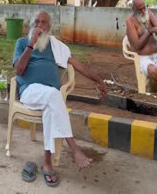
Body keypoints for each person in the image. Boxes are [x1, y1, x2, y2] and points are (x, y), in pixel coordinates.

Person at [13, 11, 107, 187]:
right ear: (31, 25)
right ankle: (74, 149)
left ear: (49, 27)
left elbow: (78, 64)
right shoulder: (22, 43)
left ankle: (47, 163)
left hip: (50, 97)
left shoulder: (56, 46)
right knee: (53, 95)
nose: (40, 25)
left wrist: (98, 80)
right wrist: (31, 45)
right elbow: (18, 71)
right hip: (30, 92)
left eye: (44, 22)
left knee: (51, 106)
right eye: (36, 22)